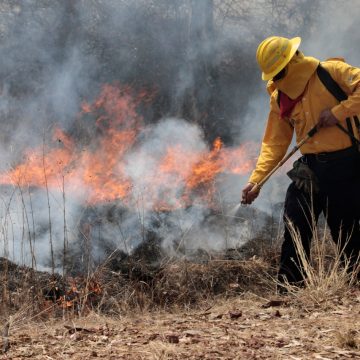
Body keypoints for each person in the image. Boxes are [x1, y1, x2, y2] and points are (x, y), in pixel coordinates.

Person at [241, 36, 360, 290]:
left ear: (294, 60)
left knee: (346, 232)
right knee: (295, 222)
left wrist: (339, 112)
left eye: (281, 72)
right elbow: (274, 143)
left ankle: (353, 286)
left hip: (346, 166)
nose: (278, 79)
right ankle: (289, 290)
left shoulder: (332, 72)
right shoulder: (280, 98)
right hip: (310, 168)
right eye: (274, 74)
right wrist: (256, 180)